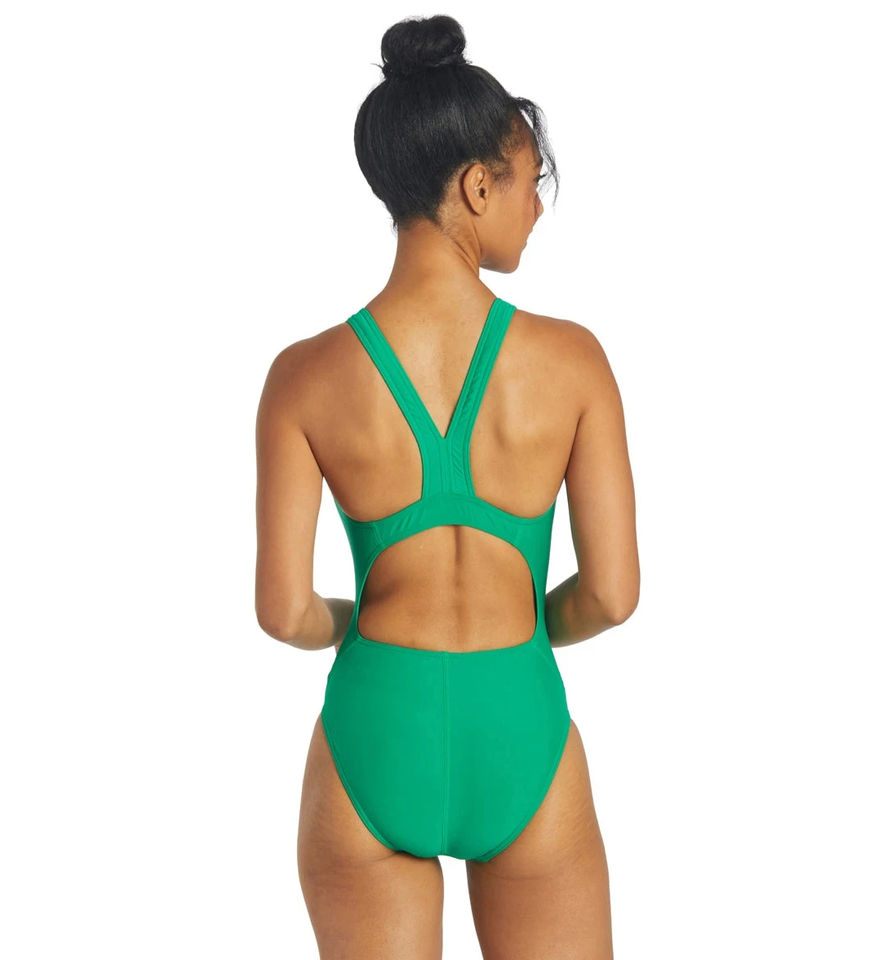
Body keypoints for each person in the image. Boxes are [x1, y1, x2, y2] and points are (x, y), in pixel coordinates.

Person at [255, 14, 639, 959]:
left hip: (373, 733)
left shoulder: (303, 376)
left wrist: (352, 623)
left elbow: (283, 612)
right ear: (476, 185)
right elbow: (611, 595)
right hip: (520, 725)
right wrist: (523, 630)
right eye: (531, 182)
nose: (537, 208)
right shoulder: (573, 363)